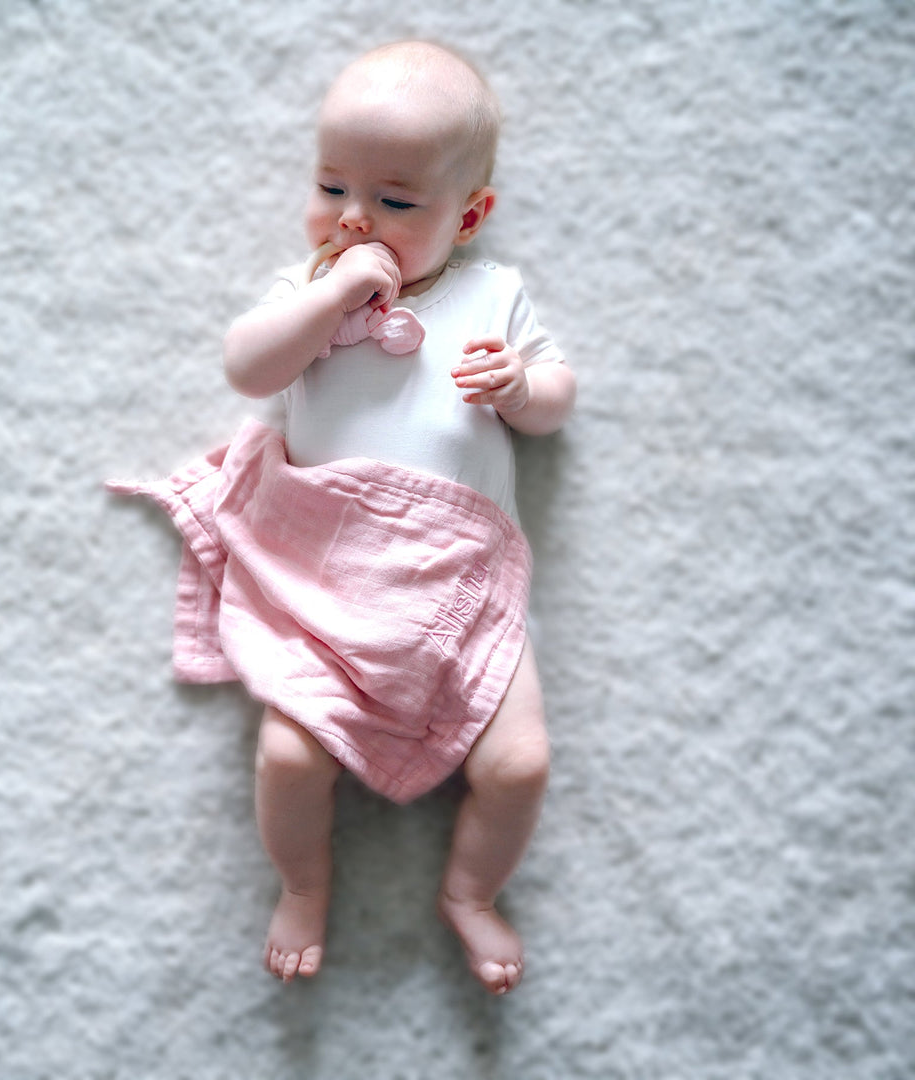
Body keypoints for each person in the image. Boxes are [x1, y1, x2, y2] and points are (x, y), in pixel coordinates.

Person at [220, 40, 576, 995]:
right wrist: (332, 291)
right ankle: (302, 882)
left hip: (458, 581)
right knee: (290, 755)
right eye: (331, 183)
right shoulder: (309, 285)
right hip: (328, 584)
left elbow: (558, 398)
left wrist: (521, 387)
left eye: (395, 201)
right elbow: (249, 368)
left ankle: (470, 891)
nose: (352, 218)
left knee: (523, 764)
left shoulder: (491, 293)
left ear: (470, 216)